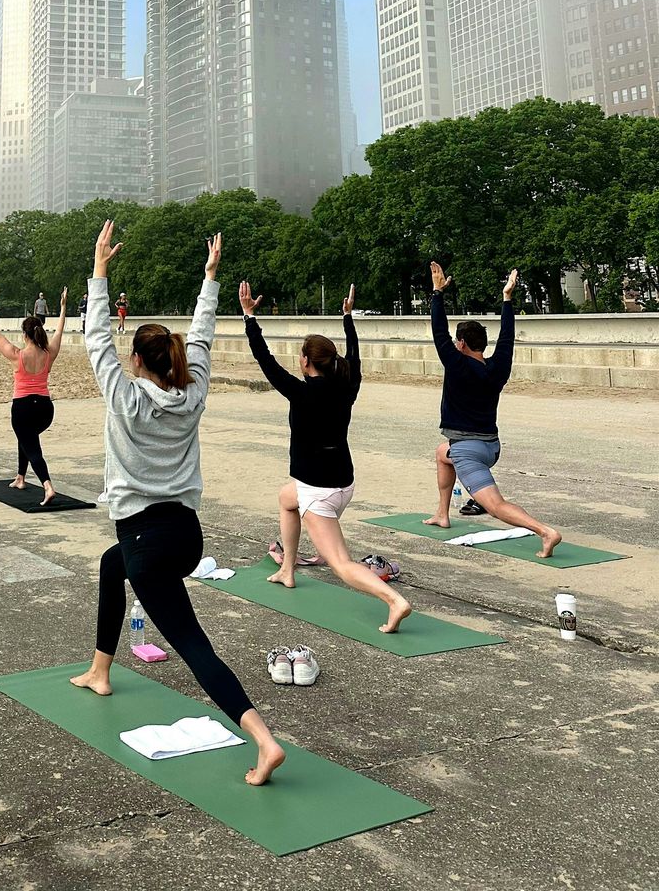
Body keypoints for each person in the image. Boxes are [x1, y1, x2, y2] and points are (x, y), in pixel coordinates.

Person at [71, 221, 285, 788]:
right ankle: (100, 668)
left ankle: (263, 742)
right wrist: (210, 278)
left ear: (137, 361)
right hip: (187, 535)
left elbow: (95, 338)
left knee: (192, 644)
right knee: (108, 565)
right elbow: (204, 337)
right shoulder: (192, 393)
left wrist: (98, 270)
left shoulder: (124, 397)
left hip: (147, 538)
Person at [238, 280, 412, 634]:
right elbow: (356, 355)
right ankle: (287, 568)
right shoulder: (346, 388)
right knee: (287, 499)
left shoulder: (302, 393)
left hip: (320, 492)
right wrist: (348, 318)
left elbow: (264, 359)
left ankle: (394, 601)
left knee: (341, 564)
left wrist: (249, 317)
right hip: (338, 484)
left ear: (305, 361)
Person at [425, 261, 562, 556]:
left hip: (469, 450)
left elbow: (438, 332)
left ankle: (545, 532)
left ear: (460, 344)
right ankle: (442, 514)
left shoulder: (458, 365)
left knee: (496, 506)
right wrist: (507, 300)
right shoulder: (497, 367)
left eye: (455, 341)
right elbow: (507, 339)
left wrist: (437, 293)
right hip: (491, 447)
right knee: (440, 454)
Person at [0, 283, 67, 507]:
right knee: (27, 437)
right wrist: (62, 308)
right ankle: (21, 477)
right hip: (45, 409)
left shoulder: (16, 354)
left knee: (31, 445)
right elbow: (59, 332)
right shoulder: (48, 353)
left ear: (24, 334)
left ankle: (47, 485)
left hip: (22, 407)